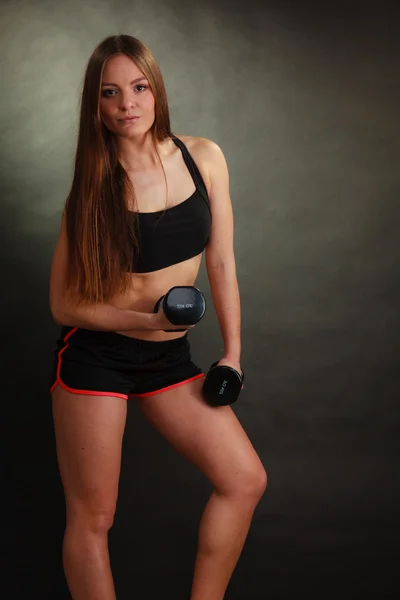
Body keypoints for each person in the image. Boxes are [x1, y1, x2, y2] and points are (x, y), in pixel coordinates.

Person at [49, 34, 267, 600]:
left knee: (244, 480)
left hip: (168, 359)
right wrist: (144, 321)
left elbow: (221, 261)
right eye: (111, 93)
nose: (128, 104)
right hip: (99, 358)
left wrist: (233, 355)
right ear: (95, 106)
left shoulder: (205, 157)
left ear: (156, 88)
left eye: (139, 87)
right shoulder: (92, 188)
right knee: (94, 517)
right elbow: (63, 305)